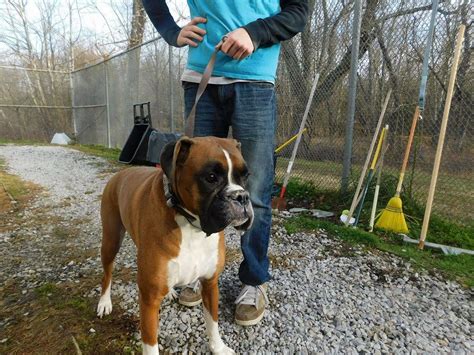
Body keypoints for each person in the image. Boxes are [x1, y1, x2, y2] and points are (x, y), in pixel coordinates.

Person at [142, 0, 308, 326]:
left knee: (254, 190)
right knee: (194, 189)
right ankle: (196, 271)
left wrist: (254, 33)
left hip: (256, 80)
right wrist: (170, 31)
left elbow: (298, 12)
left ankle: (253, 280)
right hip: (202, 74)